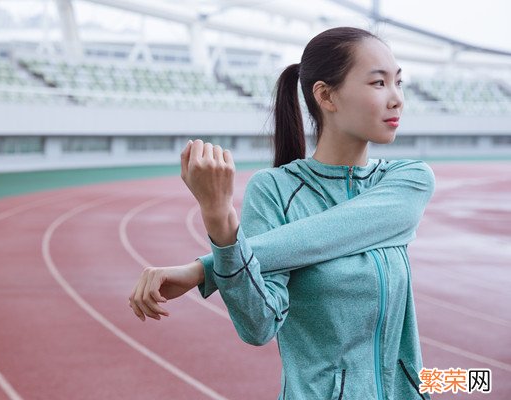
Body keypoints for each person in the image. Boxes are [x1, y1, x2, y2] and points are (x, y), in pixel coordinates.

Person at [129, 26, 435, 400]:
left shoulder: (408, 179)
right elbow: (258, 326)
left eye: (399, 83)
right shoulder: (274, 190)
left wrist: (205, 269)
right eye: (378, 83)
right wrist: (219, 220)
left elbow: (334, 232)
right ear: (326, 95)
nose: (397, 99)